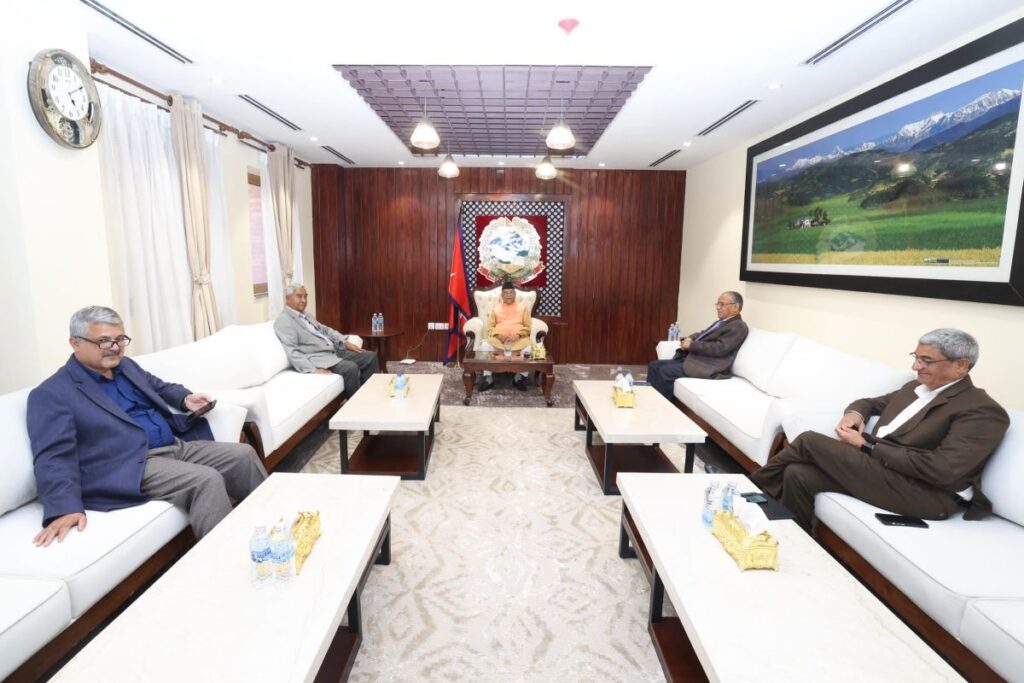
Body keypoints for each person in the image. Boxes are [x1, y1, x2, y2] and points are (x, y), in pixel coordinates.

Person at [27, 306, 267, 546]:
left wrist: (184, 399)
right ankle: (225, 559)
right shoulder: (52, 393)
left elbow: (159, 387)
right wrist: (64, 507)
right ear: (75, 342)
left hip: (174, 445)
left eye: (120, 339)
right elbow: (53, 456)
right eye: (104, 341)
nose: (115, 347)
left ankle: (271, 528)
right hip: (129, 464)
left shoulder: (125, 366)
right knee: (206, 479)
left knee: (243, 455)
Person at [751, 328, 1009, 532]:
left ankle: (748, 490)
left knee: (810, 440)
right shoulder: (915, 388)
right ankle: (793, 540)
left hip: (925, 493)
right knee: (798, 474)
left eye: (927, 361)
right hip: (883, 471)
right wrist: (854, 414)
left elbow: (940, 469)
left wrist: (866, 446)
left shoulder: (982, 410)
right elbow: (870, 403)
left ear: (961, 365)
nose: (916, 367)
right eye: (916, 357)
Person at [274, 283, 379, 398]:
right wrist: (312, 369)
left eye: (305, 296)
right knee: (350, 368)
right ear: (287, 299)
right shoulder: (284, 321)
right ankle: (357, 404)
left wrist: (345, 342)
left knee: (370, 357)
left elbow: (325, 330)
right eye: (299, 296)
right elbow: (292, 351)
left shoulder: (306, 315)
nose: (303, 300)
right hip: (321, 358)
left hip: (334, 350)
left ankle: (370, 397)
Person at [646, 291, 749, 400]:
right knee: (654, 365)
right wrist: (690, 338)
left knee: (665, 371)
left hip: (708, 366)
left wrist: (692, 345)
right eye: (717, 304)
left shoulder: (738, 326)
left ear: (735, 307)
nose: (718, 307)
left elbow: (720, 348)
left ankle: (663, 406)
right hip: (694, 359)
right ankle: (651, 401)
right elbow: (702, 333)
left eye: (722, 304)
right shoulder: (722, 322)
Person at [480, 280, 532, 392]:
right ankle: (488, 378)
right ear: (502, 295)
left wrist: (518, 335)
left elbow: (528, 327)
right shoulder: (496, 309)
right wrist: (499, 336)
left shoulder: (523, 308)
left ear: (515, 294)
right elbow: (490, 328)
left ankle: (519, 378)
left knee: (529, 349)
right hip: (499, 341)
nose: (508, 295)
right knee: (484, 345)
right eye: (506, 292)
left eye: (511, 292)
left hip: (518, 341)